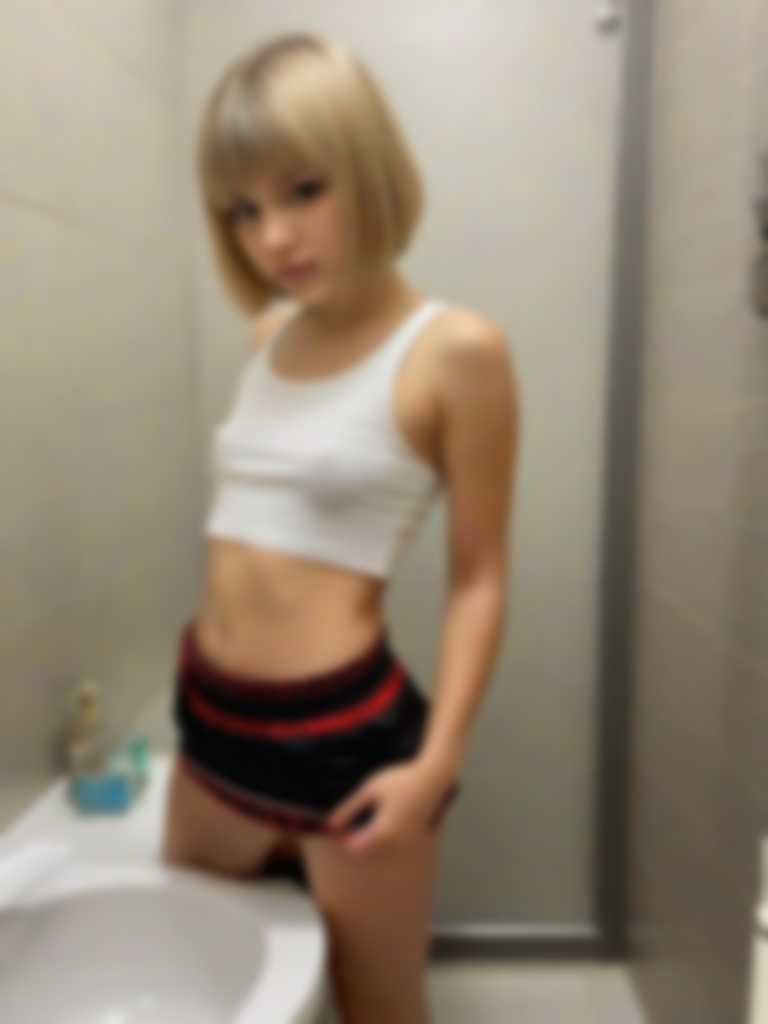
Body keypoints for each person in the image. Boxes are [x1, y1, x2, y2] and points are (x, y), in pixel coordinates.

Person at [161, 30, 520, 1024]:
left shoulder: (456, 351)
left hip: (345, 742)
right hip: (210, 716)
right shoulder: (268, 335)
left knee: (379, 1009)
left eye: (304, 189)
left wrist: (436, 765)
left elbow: (480, 578)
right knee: (200, 977)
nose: (274, 237)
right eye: (244, 209)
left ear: (367, 167)